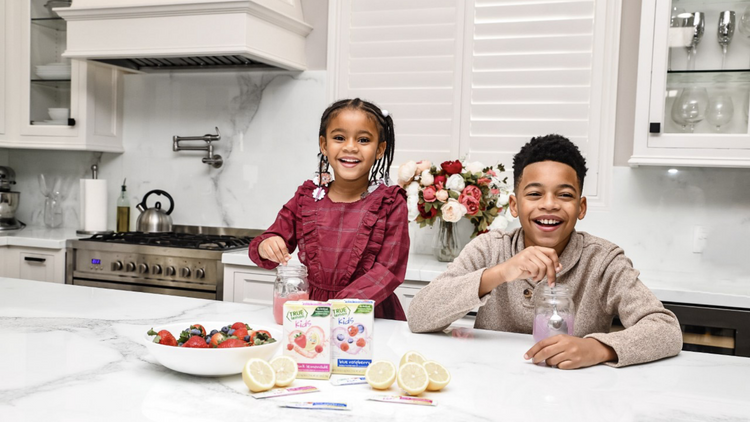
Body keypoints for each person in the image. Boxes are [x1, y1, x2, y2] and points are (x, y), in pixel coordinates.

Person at [407, 134, 682, 368]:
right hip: (492, 388)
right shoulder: (490, 248)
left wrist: (598, 348)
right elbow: (419, 315)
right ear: (514, 205)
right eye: (535, 194)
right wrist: (500, 272)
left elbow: (666, 330)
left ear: (581, 207)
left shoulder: (603, 261)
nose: (549, 205)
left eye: (564, 195)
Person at [249, 98, 410, 320]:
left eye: (363, 139)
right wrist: (267, 245)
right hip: (313, 312)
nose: (351, 147)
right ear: (324, 145)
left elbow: (388, 270)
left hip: (368, 313)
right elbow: (272, 237)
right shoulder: (306, 197)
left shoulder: (391, 203)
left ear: (380, 149)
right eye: (339, 138)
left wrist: (339, 307)